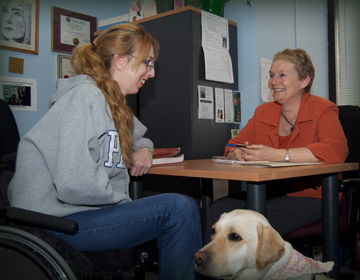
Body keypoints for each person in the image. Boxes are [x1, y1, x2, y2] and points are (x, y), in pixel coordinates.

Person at [8, 23, 203, 280]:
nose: (152, 73)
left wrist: (144, 150)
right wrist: (125, 205)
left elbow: (140, 138)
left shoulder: (114, 103)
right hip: (55, 223)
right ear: (121, 61)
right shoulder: (84, 97)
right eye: (148, 63)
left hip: (81, 214)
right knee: (178, 208)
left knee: (178, 208)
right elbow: (73, 183)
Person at [204, 48, 348, 244]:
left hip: (314, 196)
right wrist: (234, 153)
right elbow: (231, 144)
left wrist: (277, 155)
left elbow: (336, 150)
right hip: (271, 191)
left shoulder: (323, 108)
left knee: (248, 225)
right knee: (218, 209)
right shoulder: (263, 111)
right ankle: (212, 272)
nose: (273, 81)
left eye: (282, 75)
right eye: (272, 75)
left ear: (304, 81)